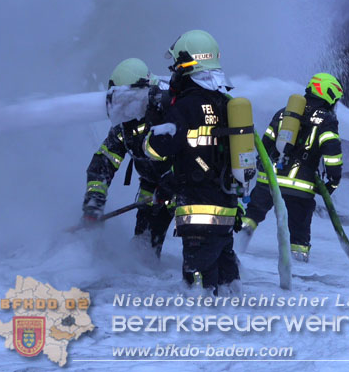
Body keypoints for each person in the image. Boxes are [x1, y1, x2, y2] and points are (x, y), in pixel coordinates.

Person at [144, 29, 243, 293]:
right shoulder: (226, 103)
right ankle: (240, 332)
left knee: (199, 293)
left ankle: (203, 333)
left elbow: (155, 150)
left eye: (177, 65)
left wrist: (155, 117)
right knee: (229, 289)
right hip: (226, 211)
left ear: (188, 64)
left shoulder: (185, 107)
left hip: (199, 215)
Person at [244, 73, 344, 262]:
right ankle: (298, 266)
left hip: (269, 181)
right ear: (329, 94)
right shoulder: (327, 119)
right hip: (300, 187)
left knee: (252, 216)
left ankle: (237, 246)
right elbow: (332, 152)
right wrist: (333, 180)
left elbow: (266, 142)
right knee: (299, 230)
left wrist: (261, 165)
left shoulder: (285, 112)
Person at [82, 58, 174, 256]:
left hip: (186, 186)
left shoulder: (170, 110)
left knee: (202, 241)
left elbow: (193, 150)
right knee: (144, 250)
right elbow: (104, 161)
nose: (122, 108)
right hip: (152, 188)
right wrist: (94, 200)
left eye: (126, 101)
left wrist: (172, 180)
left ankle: (217, 276)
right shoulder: (125, 124)